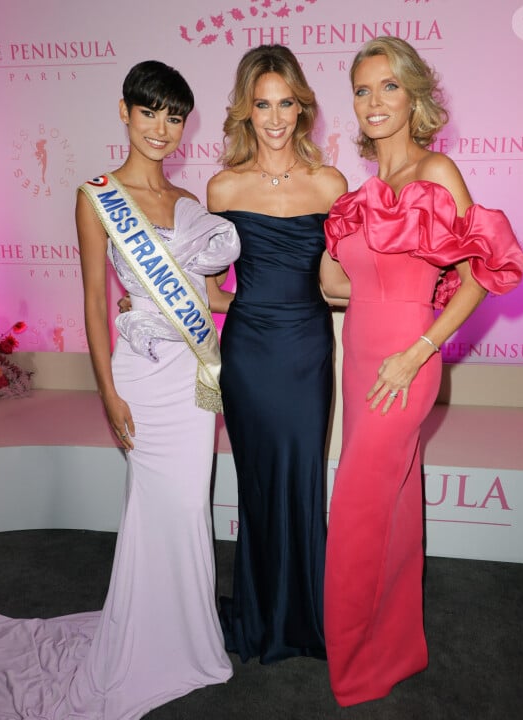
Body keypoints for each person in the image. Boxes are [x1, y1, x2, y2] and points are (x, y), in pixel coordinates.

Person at [0, 61, 240, 720]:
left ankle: (185, 635)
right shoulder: (97, 196)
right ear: (125, 112)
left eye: (174, 115)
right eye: (149, 111)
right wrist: (107, 390)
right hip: (140, 376)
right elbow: (95, 301)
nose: (161, 127)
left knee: (187, 505)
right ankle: (150, 642)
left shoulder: (188, 202)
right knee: (159, 504)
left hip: (189, 375)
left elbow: (209, 296)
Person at [320, 36, 523, 706]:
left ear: (413, 97)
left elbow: (479, 275)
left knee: (353, 507)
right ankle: (396, 647)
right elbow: (336, 287)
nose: (374, 101)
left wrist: (420, 346)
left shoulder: (437, 172)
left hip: (407, 361)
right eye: (362, 89)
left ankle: (353, 663)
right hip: (358, 359)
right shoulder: (361, 194)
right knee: (396, 505)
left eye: (388, 87)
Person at [206, 44, 348, 664]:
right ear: (244, 109)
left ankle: (305, 614)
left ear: (302, 107)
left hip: (307, 348)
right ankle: (263, 612)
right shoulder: (222, 186)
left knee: (304, 475)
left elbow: (333, 282)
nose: (274, 117)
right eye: (261, 104)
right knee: (258, 481)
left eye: (285, 103)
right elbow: (211, 287)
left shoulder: (331, 183)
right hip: (251, 353)